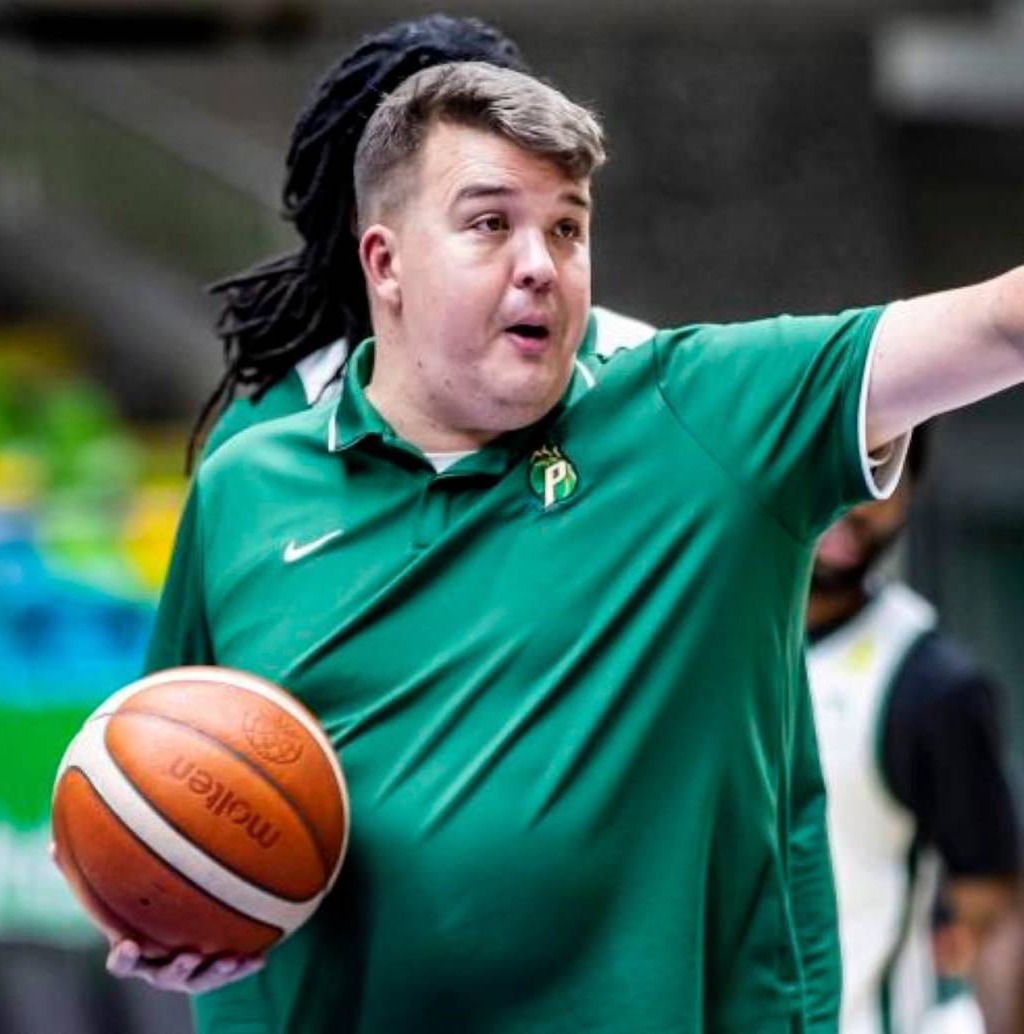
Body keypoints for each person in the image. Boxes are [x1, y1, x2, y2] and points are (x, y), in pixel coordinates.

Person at [104, 58, 1024, 1033]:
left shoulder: (696, 417)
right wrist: (166, 897)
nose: (540, 261)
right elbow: (165, 773)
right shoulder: (247, 484)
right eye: (490, 222)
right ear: (384, 263)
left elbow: (999, 323)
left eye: (568, 226)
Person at [191, 14, 652, 467]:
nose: (536, 265)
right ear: (371, 233)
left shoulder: (648, 381)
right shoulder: (267, 443)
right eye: (488, 221)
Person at [807, 434, 1024, 1034]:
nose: (858, 496)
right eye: (838, 459)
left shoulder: (931, 685)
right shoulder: (697, 636)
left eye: (888, 468)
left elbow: (996, 917)